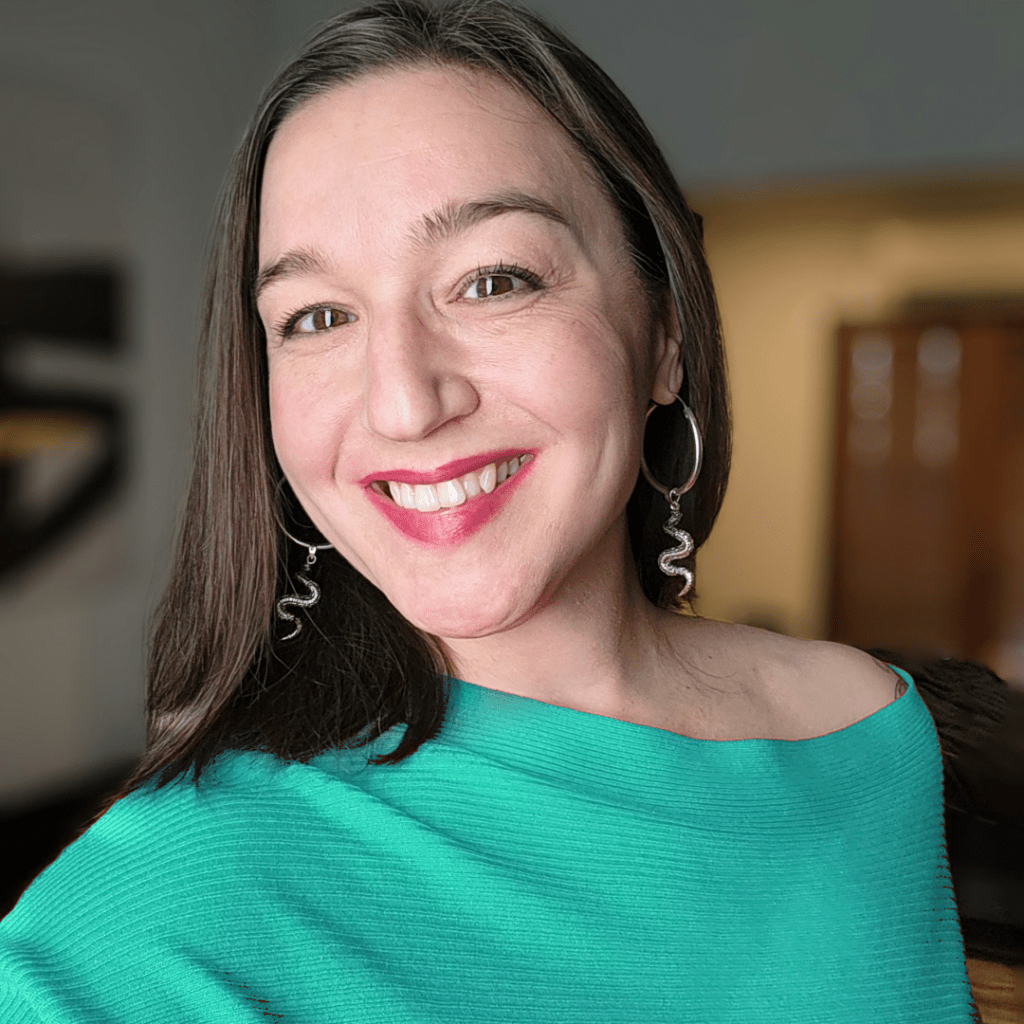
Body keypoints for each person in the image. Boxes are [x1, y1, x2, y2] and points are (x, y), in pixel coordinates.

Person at [0, 1, 989, 1020]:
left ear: (665, 333)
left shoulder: (870, 734)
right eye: (318, 317)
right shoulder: (151, 921)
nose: (403, 399)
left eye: (491, 280)